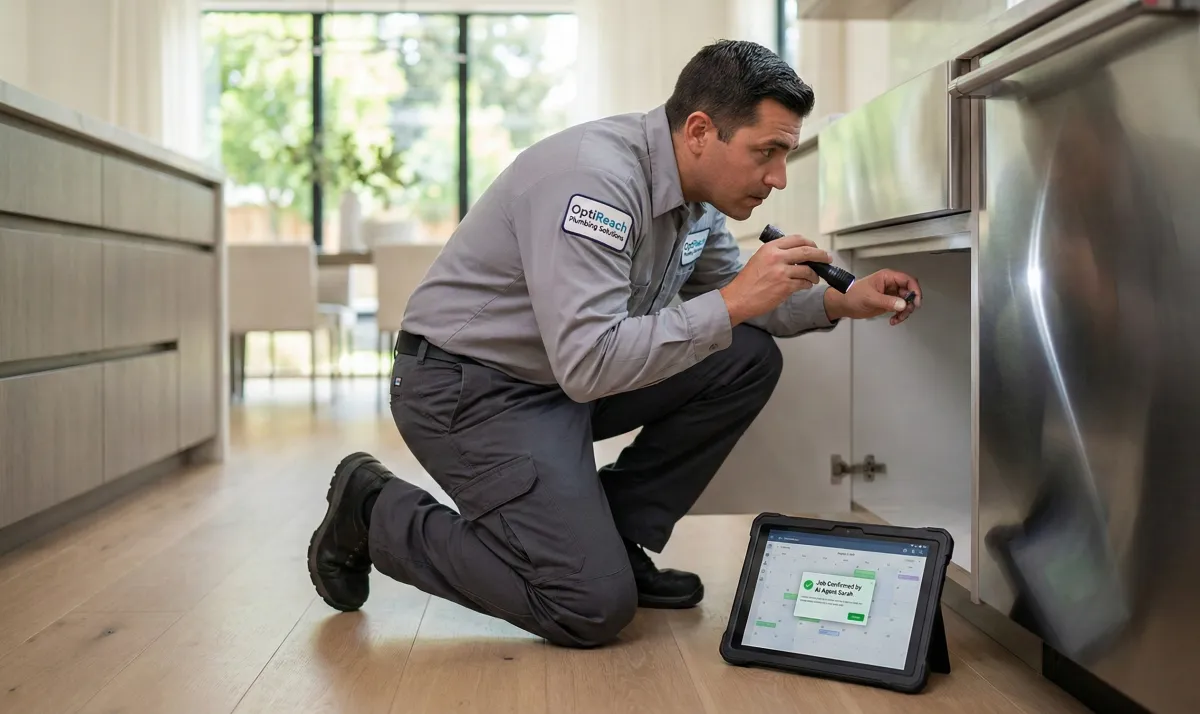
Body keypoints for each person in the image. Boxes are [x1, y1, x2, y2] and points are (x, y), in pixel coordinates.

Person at [307, 39, 923, 648]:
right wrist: (736, 300)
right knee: (586, 606)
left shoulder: (697, 202)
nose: (778, 178)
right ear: (702, 131)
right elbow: (594, 361)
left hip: (556, 383)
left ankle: (616, 536)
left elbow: (737, 307)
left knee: (744, 359)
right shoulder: (595, 182)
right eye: (767, 152)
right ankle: (373, 509)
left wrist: (840, 299)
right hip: (470, 390)